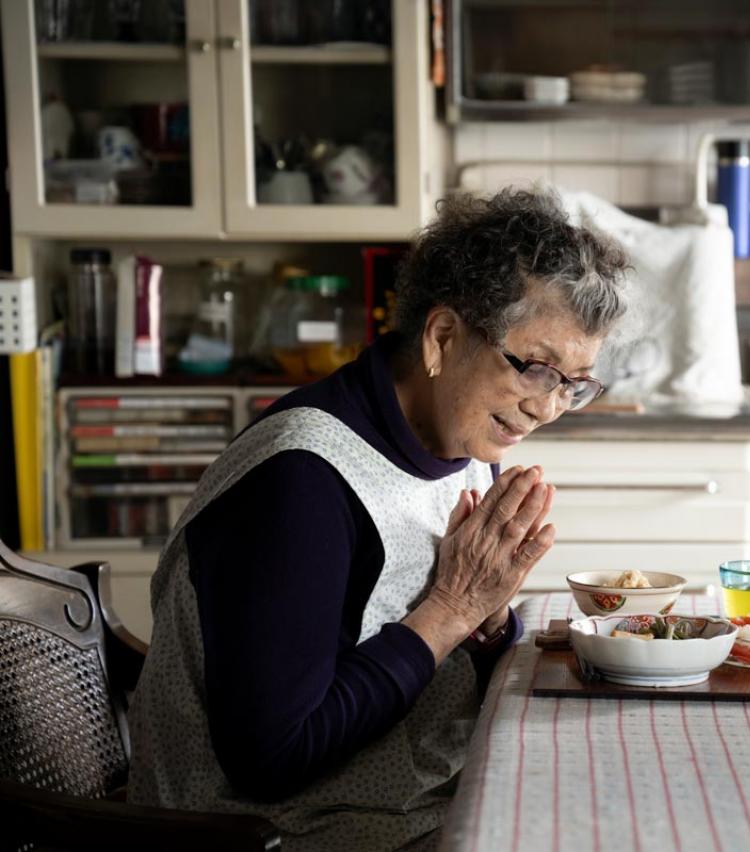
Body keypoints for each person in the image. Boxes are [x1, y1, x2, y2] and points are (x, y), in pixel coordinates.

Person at [127, 188, 630, 851]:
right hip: (279, 836)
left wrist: (485, 622)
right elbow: (271, 760)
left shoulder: (462, 442)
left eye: (574, 384)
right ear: (442, 336)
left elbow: (435, 660)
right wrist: (450, 609)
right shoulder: (300, 483)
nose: (549, 407)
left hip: (414, 808)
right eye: (536, 369)